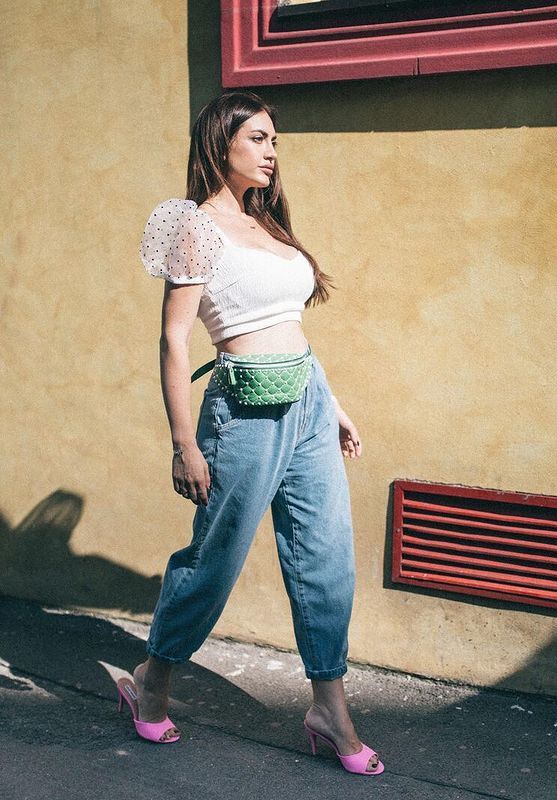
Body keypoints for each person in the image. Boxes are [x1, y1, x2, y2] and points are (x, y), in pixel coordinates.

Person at [117, 90, 383, 776]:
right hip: (243, 409)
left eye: (274, 141)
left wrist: (332, 403)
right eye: (258, 138)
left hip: (308, 400)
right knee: (215, 560)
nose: (271, 152)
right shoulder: (192, 225)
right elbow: (175, 340)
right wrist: (184, 443)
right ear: (222, 141)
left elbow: (290, 326)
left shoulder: (266, 223)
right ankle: (152, 680)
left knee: (327, 558)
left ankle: (329, 708)